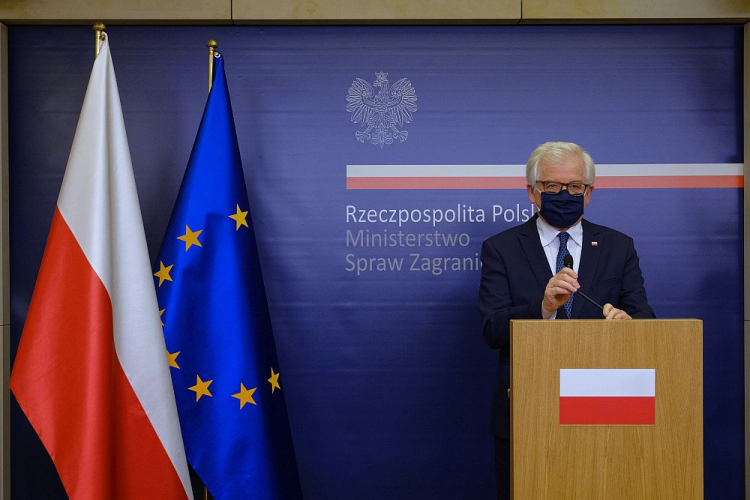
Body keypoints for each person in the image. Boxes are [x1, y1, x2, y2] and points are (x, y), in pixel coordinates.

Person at [478, 141, 655, 500]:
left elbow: (645, 321)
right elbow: (492, 329)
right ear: (531, 191)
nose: (564, 194)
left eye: (574, 186)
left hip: (605, 410)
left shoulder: (618, 246)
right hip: (529, 412)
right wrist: (543, 308)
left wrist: (628, 326)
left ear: (589, 193)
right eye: (551, 186)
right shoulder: (501, 248)